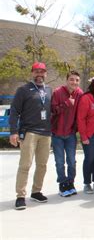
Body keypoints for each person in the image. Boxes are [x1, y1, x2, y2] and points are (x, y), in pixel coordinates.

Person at [9, 62, 52, 210]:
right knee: (25, 165)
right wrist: (13, 132)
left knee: (42, 165)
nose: (39, 74)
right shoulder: (23, 90)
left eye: (42, 71)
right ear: (32, 73)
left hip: (46, 133)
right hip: (29, 132)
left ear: (46, 73)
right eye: (36, 71)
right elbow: (14, 111)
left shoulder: (49, 90)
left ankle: (36, 191)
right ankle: (20, 196)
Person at [51, 70, 83, 197]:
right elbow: (52, 110)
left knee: (71, 161)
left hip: (70, 133)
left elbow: (80, 113)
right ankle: (62, 184)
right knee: (59, 161)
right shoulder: (58, 92)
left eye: (76, 80)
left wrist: (76, 129)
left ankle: (70, 182)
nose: (74, 82)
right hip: (57, 133)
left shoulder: (80, 93)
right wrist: (66, 104)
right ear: (67, 80)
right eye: (71, 79)